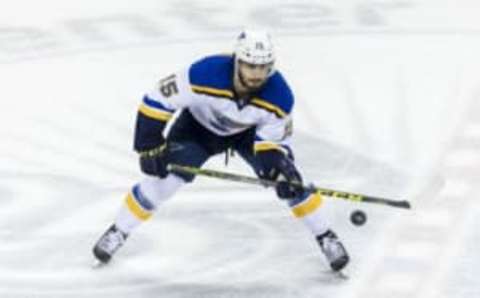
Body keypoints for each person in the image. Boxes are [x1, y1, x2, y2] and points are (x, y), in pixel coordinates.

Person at [92, 30, 349, 272]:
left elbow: (272, 144)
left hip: (248, 134)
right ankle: (119, 230)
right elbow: (157, 99)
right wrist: (148, 145)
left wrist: (279, 169)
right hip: (197, 129)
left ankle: (325, 235)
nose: (257, 73)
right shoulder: (205, 73)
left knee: (293, 184)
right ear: (238, 61)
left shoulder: (280, 96)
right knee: (164, 182)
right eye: (251, 65)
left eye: (263, 67)